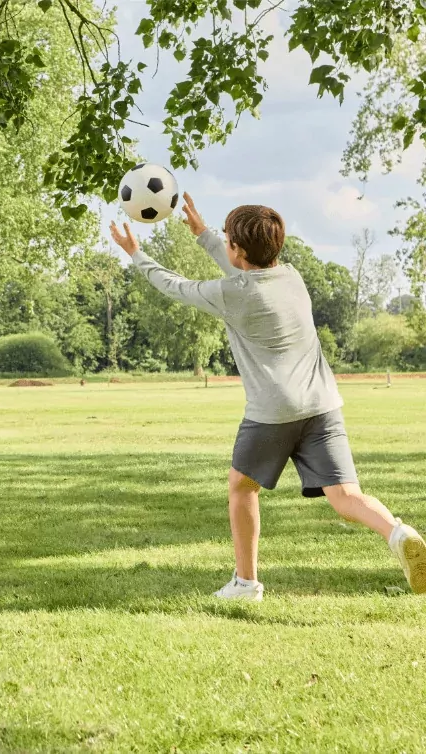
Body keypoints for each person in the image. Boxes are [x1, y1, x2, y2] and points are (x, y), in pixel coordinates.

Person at [109, 193, 425, 599]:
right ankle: (399, 533)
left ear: (238, 248)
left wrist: (135, 253)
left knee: (242, 487)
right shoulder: (292, 277)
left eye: (228, 239)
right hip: (323, 404)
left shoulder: (232, 294)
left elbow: (175, 286)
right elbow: (245, 269)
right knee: (346, 496)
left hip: (273, 411)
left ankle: (245, 583)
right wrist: (204, 235)